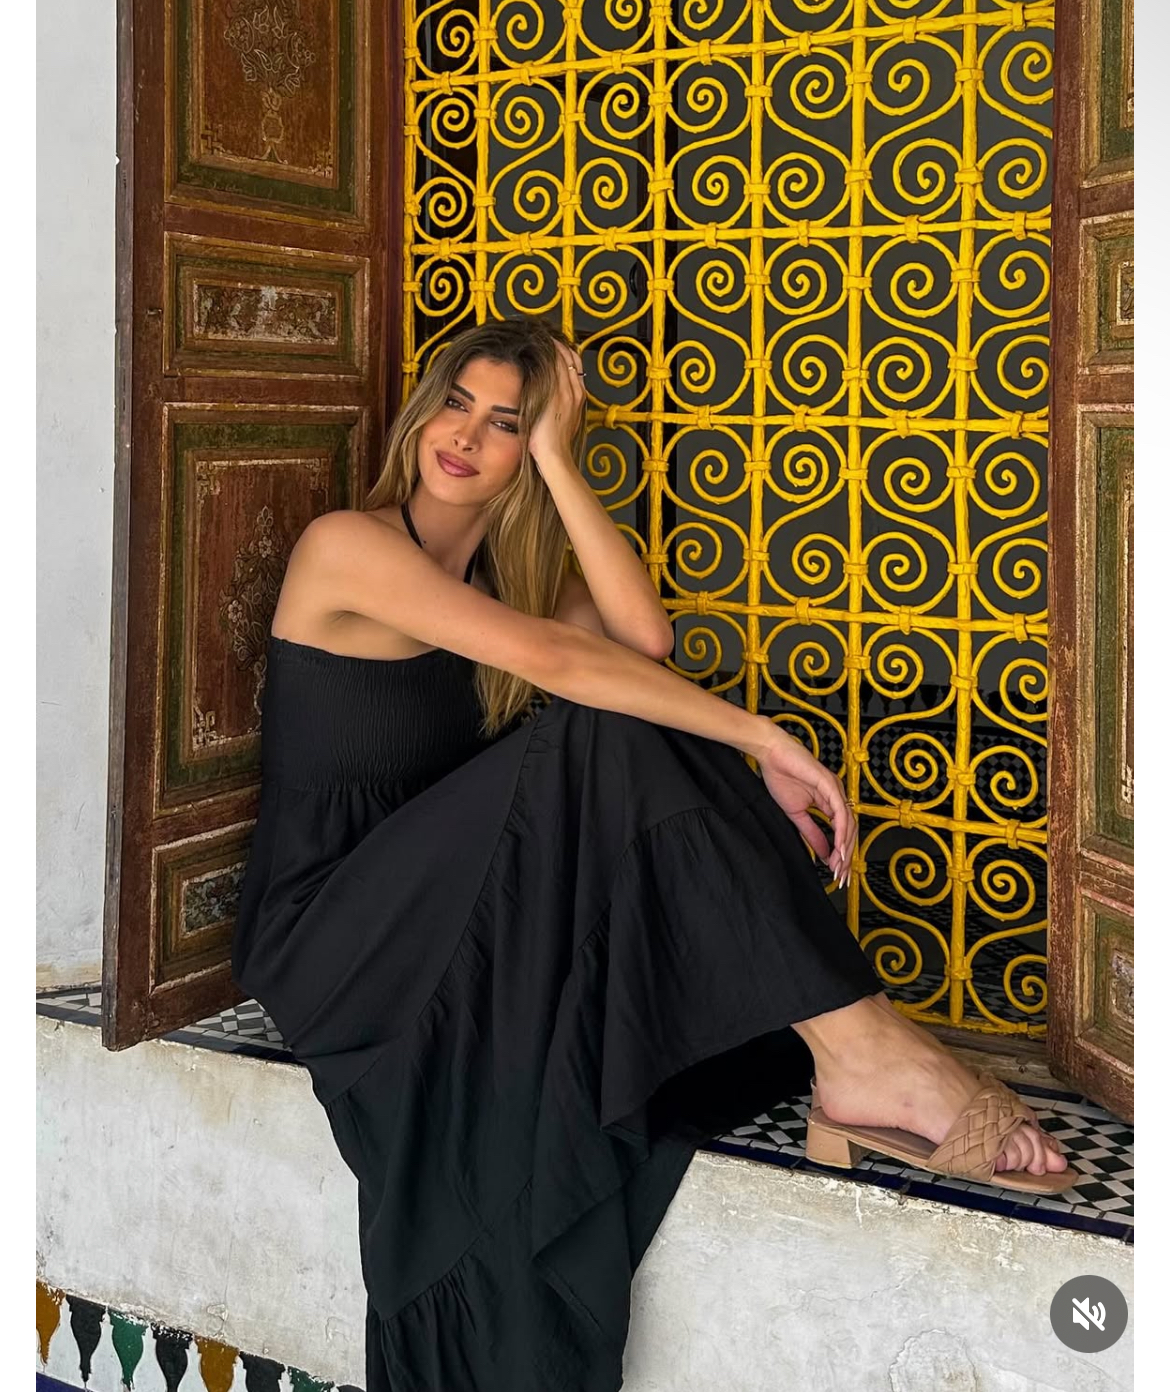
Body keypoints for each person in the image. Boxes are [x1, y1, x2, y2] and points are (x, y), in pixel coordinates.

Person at [231, 315, 1076, 1392]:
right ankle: (863, 1051)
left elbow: (642, 643)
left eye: (507, 424)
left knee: (627, 712)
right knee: (601, 724)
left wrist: (558, 459)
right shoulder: (345, 545)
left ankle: (860, 1052)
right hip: (336, 934)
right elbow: (560, 664)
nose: (467, 437)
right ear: (421, 411)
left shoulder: (507, 571)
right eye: (456, 403)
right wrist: (762, 739)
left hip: (442, 901)